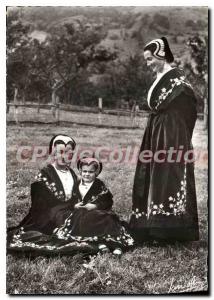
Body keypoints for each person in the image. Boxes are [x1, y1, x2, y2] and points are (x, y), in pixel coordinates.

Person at [129, 37, 199, 243]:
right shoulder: (161, 78)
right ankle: (152, 226)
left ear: (161, 55)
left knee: (167, 175)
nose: (148, 63)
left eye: (150, 59)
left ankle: (168, 230)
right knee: (153, 174)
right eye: (146, 60)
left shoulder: (178, 81)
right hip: (157, 130)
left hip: (171, 135)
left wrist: (179, 139)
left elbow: (189, 113)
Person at [7, 134, 79, 245]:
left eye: (69, 153)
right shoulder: (45, 174)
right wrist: (53, 227)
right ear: (53, 153)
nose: (64, 156)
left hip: (69, 213)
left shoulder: (72, 174)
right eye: (60, 152)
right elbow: (40, 209)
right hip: (49, 218)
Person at [54, 157, 134, 256]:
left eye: (91, 172)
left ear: (96, 172)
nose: (87, 174)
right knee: (78, 219)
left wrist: (95, 206)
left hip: (96, 211)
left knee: (107, 218)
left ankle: (115, 244)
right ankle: (99, 243)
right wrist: (74, 205)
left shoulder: (99, 185)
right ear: (80, 171)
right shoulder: (75, 184)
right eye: (85, 171)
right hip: (79, 213)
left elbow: (107, 200)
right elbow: (67, 200)